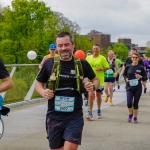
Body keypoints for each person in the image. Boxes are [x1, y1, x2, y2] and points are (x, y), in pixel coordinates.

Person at [35, 31, 99, 150]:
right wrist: (43, 92)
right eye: (60, 46)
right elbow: (38, 83)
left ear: (73, 45)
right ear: (57, 47)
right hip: (54, 116)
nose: (63, 48)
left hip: (74, 116)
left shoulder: (82, 64)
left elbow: (95, 80)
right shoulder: (49, 63)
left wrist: (93, 86)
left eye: (66, 45)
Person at [86, 44, 109, 120]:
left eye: (97, 49)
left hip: (99, 80)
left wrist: (101, 69)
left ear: (99, 49)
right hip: (90, 80)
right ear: (92, 49)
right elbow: (84, 67)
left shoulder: (102, 58)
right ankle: (90, 112)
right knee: (90, 95)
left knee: (98, 95)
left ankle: (99, 110)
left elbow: (107, 67)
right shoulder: (88, 58)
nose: (95, 50)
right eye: (94, 48)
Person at [123, 52, 147, 123]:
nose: (134, 59)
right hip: (129, 88)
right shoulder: (128, 66)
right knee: (129, 103)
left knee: (135, 104)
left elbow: (145, 78)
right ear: (131, 58)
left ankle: (135, 117)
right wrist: (126, 79)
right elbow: (124, 75)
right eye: (133, 57)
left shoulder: (141, 68)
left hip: (138, 89)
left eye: (136, 57)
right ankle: (130, 114)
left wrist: (141, 76)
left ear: (138, 59)